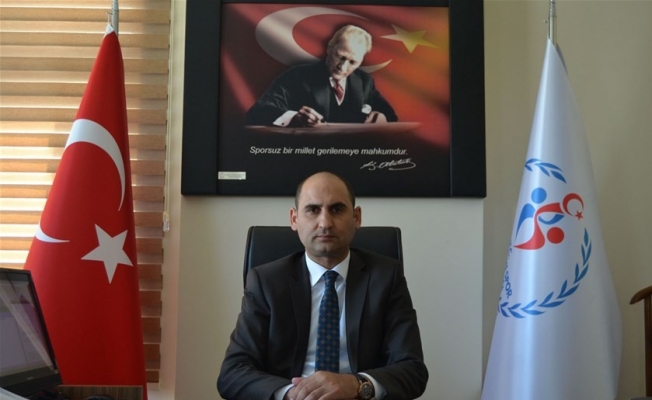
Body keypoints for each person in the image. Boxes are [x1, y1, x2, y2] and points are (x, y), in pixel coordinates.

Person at [217, 171, 428, 400]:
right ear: (294, 219)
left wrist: (354, 385)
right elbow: (232, 373)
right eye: (313, 210)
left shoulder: (386, 277)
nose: (325, 223)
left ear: (356, 217)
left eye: (337, 209)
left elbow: (412, 370)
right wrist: (292, 394)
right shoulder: (266, 282)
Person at [245, 25, 398, 127]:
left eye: (352, 62)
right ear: (330, 48)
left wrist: (382, 118)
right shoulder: (297, 76)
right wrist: (294, 117)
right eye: (341, 57)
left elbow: (391, 116)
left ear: (361, 62)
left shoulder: (364, 82)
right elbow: (257, 112)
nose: (343, 67)